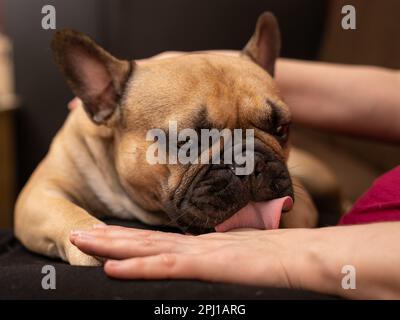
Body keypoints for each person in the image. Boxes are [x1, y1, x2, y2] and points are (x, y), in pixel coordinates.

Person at [69, 54, 400, 299]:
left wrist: (299, 254)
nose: (245, 164)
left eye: (277, 130)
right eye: (188, 142)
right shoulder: (80, 146)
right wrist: (188, 69)